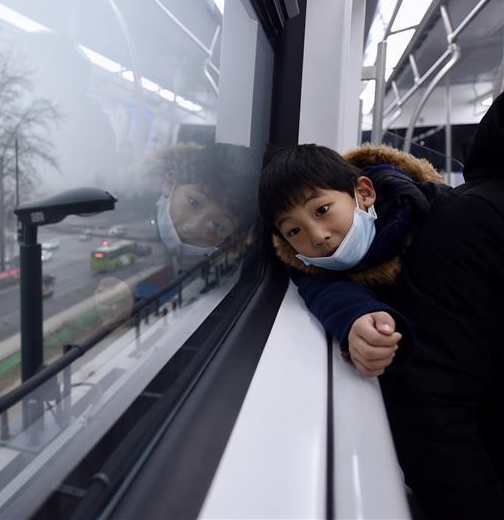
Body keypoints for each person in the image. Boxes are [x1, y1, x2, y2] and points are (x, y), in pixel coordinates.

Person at [258, 93, 504, 518]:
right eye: (294, 230)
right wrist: (355, 318)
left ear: (365, 193)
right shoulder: (314, 265)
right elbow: (323, 288)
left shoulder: (434, 215)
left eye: (322, 210)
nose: (317, 236)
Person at [149, 143, 261, 258]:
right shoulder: (134, 209)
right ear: (170, 183)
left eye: (217, 225)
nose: (191, 227)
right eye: (193, 202)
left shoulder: (227, 270)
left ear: (233, 238)